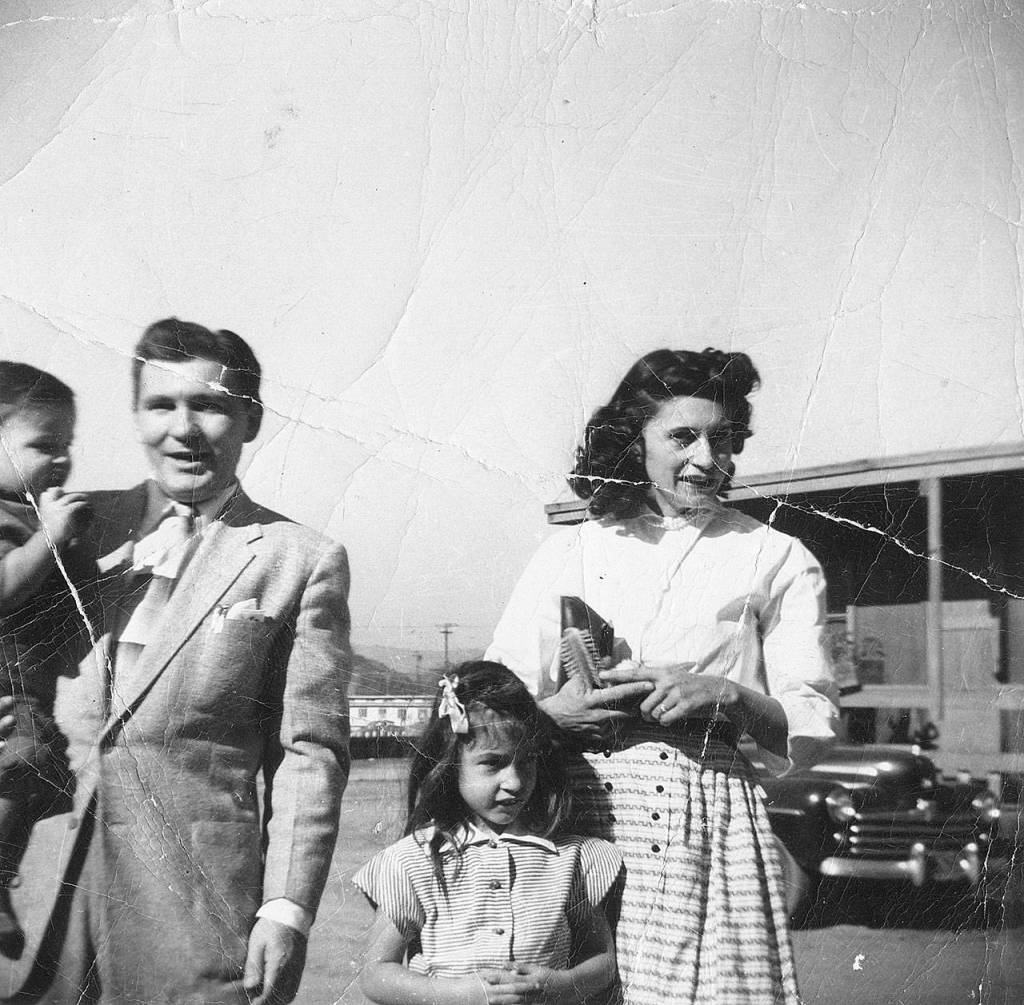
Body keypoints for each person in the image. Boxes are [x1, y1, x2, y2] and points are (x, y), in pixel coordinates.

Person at [487, 348, 838, 1005]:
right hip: (576, 824)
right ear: (632, 440)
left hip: (706, 836)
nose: (709, 458)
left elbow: (813, 722)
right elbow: (493, 697)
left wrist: (728, 695)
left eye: (726, 438)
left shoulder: (776, 556)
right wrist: (554, 716)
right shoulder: (571, 549)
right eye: (683, 435)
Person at [20, 320, 352, 1005]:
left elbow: (307, 751)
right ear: (136, 415)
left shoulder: (299, 559)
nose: (185, 429)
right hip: (32, 897)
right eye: (162, 405)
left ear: (250, 418)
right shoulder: (65, 525)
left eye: (210, 405)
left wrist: (286, 908)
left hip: (195, 913)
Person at [354, 661, 623, 1005]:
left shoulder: (571, 858)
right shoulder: (414, 860)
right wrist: (458, 994)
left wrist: (562, 985)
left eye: (526, 761)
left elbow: (603, 962)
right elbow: (376, 974)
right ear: (450, 765)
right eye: (493, 763)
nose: (515, 782)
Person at [0, 363, 94, 959]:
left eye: (67, 446)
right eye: (42, 445)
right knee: (26, 759)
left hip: (33, 691)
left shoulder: (37, 517)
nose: (60, 459)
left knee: (46, 772)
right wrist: (50, 540)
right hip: (9, 693)